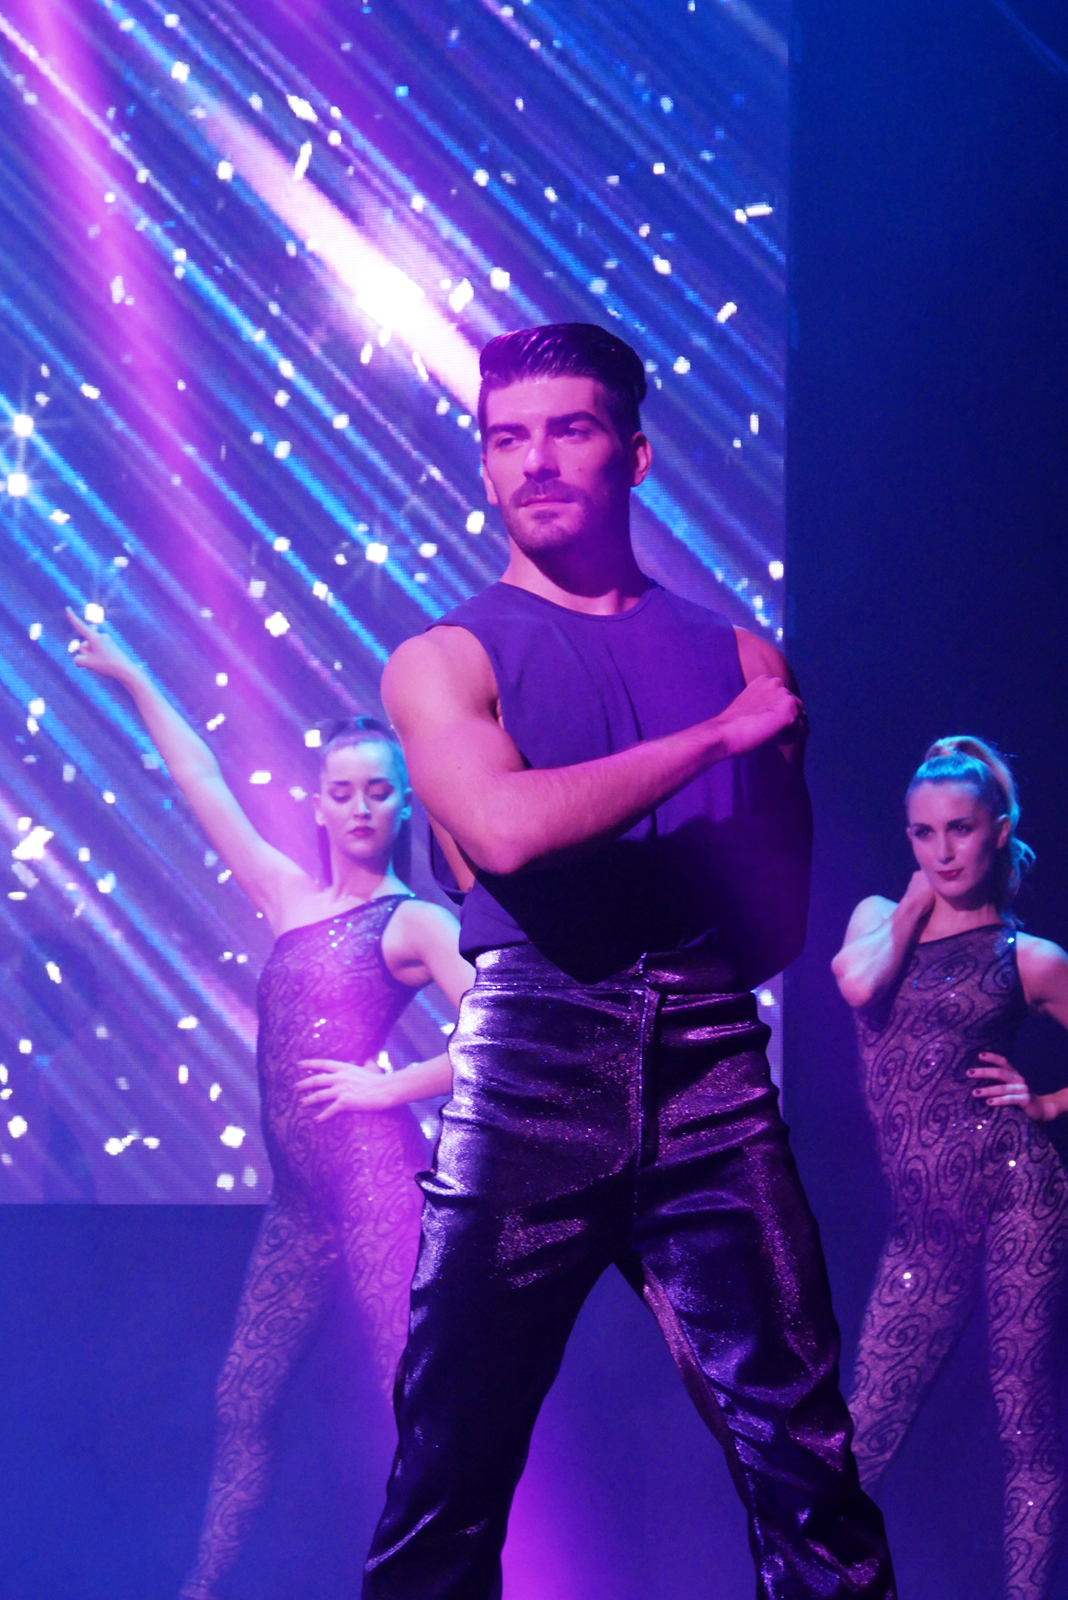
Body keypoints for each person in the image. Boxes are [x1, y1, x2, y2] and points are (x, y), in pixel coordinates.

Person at [363, 323, 895, 1599]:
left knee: (808, 1466)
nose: (535, 462)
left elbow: (774, 921)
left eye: (570, 430)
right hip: (530, 1067)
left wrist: (749, 770)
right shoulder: (445, 658)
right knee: (448, 1472)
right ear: (484, 466)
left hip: (711, 1065)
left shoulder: (745, 659)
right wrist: (715, 744)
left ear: (636, 454)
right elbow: (503, 830)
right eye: (507, 439)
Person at [65, 612, 473, 1600]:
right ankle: (203, 1590)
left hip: (376, 1189)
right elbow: (200, 780)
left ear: (404, 805)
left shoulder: (416, 920)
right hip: (301, 1204)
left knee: (412, 1402)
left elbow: (497, 1034)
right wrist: (135, 679)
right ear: (319, 805)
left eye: (379, 790)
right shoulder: (289, 897)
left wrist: (390, 1085)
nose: (361, 806)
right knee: (240, 1400)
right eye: (344, 791)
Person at [832, 736, 1068, 1600]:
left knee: (1025, 1426)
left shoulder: (1028, 957)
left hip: (1019, 1201)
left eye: (960, 830)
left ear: (998, 831)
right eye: (923, 833)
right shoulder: (876, 918)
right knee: (857, 1443)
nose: (943, 851)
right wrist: (912, 904)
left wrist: (1048, 1104)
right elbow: (859, 986)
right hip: (921, 1230)